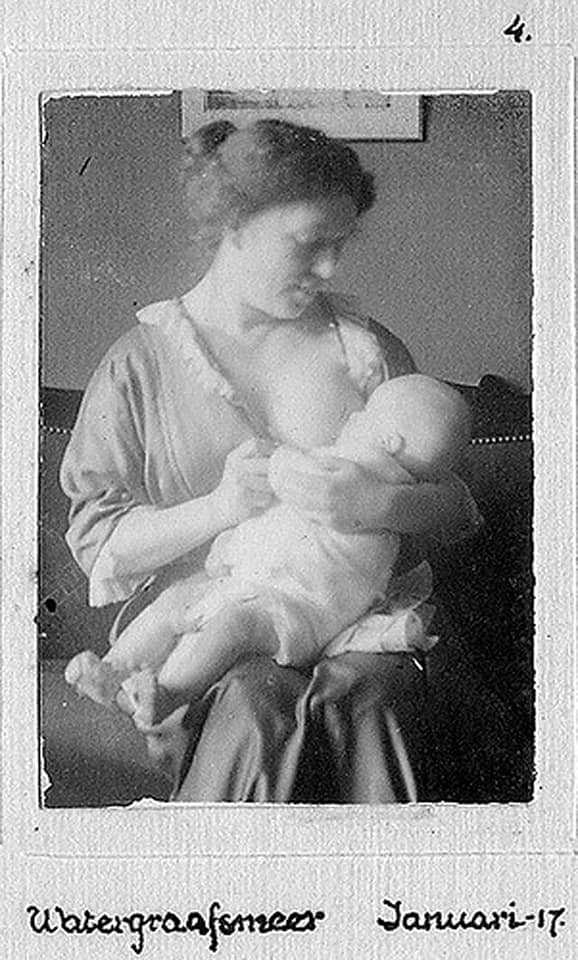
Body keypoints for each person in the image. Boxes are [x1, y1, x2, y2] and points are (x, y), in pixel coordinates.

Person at [60, 118, 490, 804]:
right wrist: (220, 508)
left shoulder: (365, 351)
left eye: (341, 245)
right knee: (252, 702)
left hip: (354, 616)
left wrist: (376, 503)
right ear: (234, 225)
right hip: (201, 622)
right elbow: (100, 542)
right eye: (310, 243)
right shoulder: (139, 366)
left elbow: (453, 506)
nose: (331, 269)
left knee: (374, 696)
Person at [64, 373, 472, 731]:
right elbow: (284, 524)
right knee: (178, 603)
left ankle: (167, 693)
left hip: (295, 606)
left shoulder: (359, 467)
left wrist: (272, 459)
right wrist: (227, 527)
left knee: (229, 626)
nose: (353, 417)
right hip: (260, 580)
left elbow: (292, 481)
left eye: (366, 414)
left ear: (389, 442)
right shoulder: (377, 471)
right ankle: (115, 672)